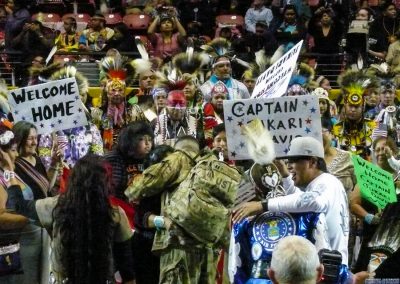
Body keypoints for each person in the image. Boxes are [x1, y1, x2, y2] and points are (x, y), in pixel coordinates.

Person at [6, 154, 135, 284]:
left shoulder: (55, 206)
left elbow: (18, 205)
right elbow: (127, 266)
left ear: (74, 179)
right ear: (107, 182)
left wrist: (9, 170)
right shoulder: (116, 214)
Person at [233, 136, 350, 266]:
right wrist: (285, 176)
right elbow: (300, 198)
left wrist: (262, 205)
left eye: (293, 161)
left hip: (331, 268)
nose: (289, 166)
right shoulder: (321, 184)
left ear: (312, 162)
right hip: (329, 264)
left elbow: (311, 201)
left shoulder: (327, 182)